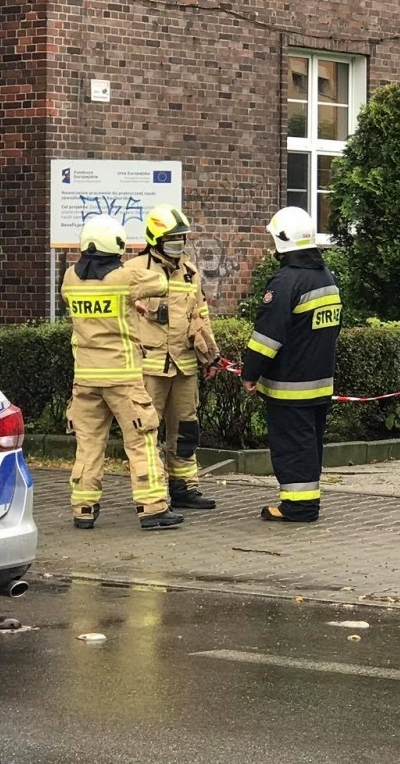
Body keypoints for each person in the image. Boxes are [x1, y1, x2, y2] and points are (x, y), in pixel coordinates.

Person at [61, 214, 185, 531]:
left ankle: (83, 508)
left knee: (88, 445)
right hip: (122, 377)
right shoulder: (125, 278)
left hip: (85, 378)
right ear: (116, 244)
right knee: (141, 441)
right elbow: (159, 282)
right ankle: (153, 508)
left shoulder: (69, 280)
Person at [239, 205, 342, 523]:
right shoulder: (326, 277)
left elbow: (267, 336)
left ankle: (299, 506)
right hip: (319, 383)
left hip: (289, 387)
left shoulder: (285, 282)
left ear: (283, 241)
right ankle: (305, 501)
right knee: (309, 446)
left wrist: (249, 372)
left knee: (292, 447)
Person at [123, 203, 221, 511]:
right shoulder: (133, 270)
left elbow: (201, 315)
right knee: (146, 431)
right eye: (172, 240)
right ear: (155, 240)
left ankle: (184, 487)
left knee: (186, 429)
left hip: (184, 364)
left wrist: (212, 355)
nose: (178, 246)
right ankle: (151, 494)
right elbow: (121, 313)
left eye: (182, 239)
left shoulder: (189, 272)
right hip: (149, 366)